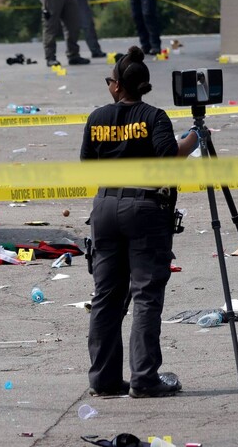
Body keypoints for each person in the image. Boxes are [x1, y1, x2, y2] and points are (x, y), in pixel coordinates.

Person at [81, 46, 199, 399]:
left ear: (118, 86)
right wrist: (195, 139)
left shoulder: (97, 117)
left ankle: (103, 379)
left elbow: (87, 165)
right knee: (145, 295)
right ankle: (144, 378)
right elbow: (167, 159)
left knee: (106, 296)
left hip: (105, 207)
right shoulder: (154, 116)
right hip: (145, 209)